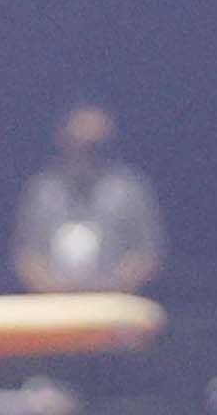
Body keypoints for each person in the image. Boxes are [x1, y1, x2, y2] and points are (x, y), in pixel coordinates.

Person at [9, 105, 161, 294]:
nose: (86, 154)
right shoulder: (43, 193)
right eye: (80, 144)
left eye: (94, 147)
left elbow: (146, 255)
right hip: (53, 308)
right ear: (64, 142)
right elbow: (27, 257)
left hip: (114, 307)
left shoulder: (128, 191)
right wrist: (56, 291)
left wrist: (110, 288)